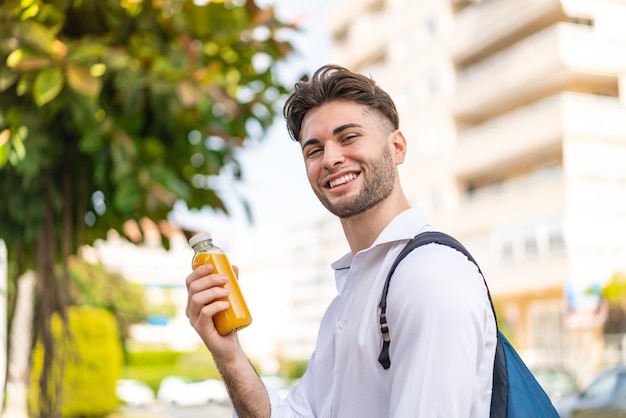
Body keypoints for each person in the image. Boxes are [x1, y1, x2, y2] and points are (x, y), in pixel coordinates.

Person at [185, 64, 497, 417]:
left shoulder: (429, 275)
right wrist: (229, 354)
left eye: (348, 137)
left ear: (397, 147)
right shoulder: (351, 298)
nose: (331, 159)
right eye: (314, 150)